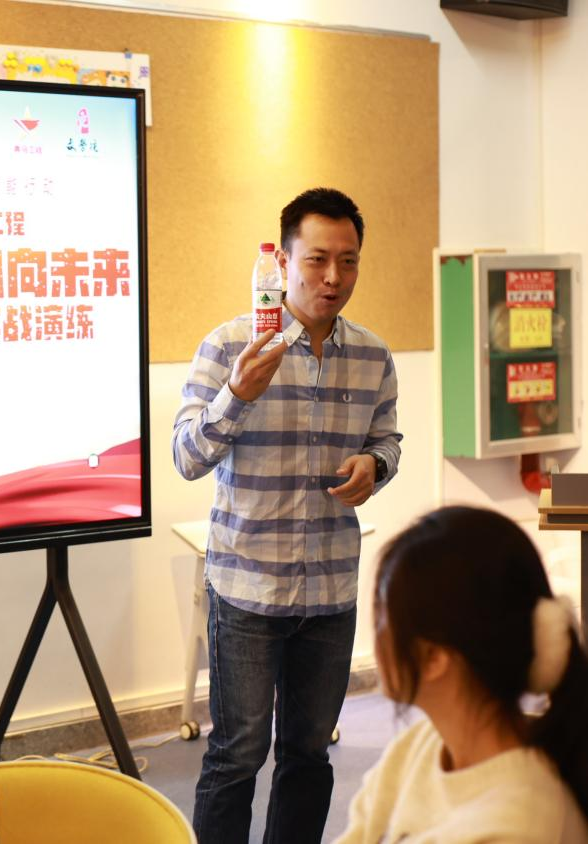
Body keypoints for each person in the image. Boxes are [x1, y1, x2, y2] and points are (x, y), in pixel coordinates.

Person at [173, 187, 402, 844]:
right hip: (248, 587)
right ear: (283, 262)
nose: (333, 278)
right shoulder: (230, 345)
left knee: (308, 755)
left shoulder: (373, 356)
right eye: (317, 260)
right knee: (236, 756)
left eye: (348, 262)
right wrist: (236, 396)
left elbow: (387, 441)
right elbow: (186, 457)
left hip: (330, 591)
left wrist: (375, 466)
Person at [336, 506, 588, 843]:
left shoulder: (519, 825)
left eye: (384, 616)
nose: (376, 631)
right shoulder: (421, 745)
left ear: (434, 657)